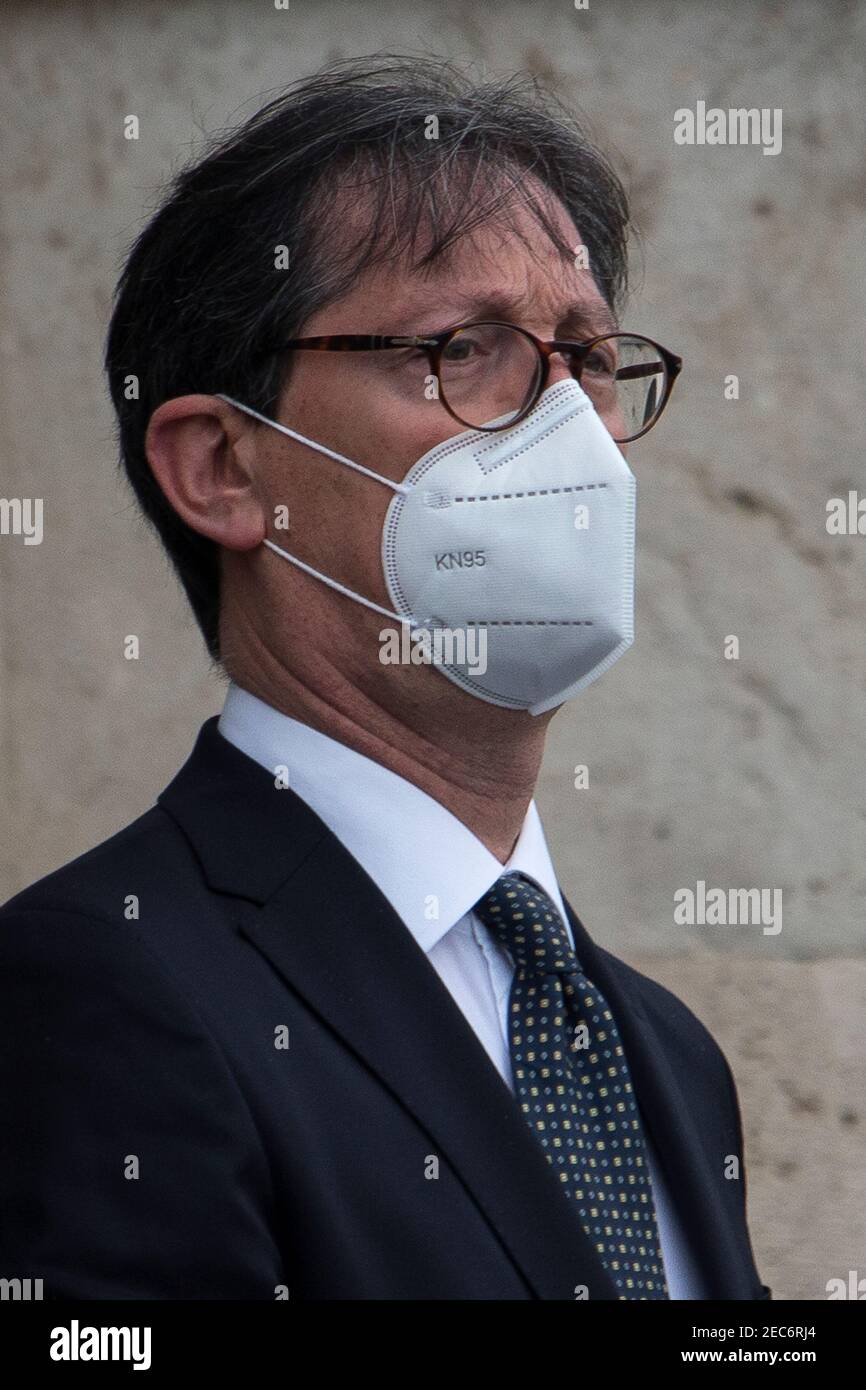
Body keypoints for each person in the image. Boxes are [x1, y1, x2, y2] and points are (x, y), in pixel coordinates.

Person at [0, 55, 769, 1300]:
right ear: (225, 468)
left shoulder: (663, 1055)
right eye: (467, 347)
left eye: (584, 356)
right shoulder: (100, 987)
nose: (566, 421)